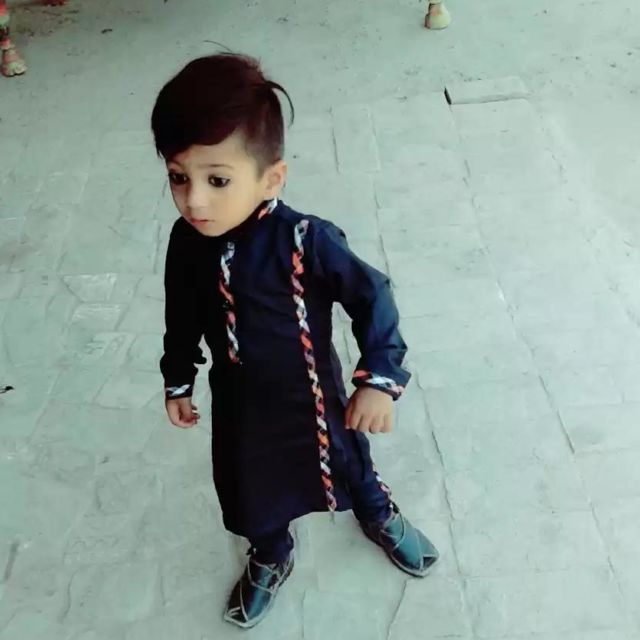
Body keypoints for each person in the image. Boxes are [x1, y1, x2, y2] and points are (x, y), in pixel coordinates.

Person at [151, 53, 438, 630]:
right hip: (239, 403)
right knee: (247, 487)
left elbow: (372, 296)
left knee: (349, 462)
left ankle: (378, 515)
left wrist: (379, 381)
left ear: (271, 178)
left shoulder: (307, 239)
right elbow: (180, 316)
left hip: (312, 396)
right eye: (180, 177)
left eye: (217, 180)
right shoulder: (187, 244)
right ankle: (270, 552)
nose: (195, 200)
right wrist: (177, 377)